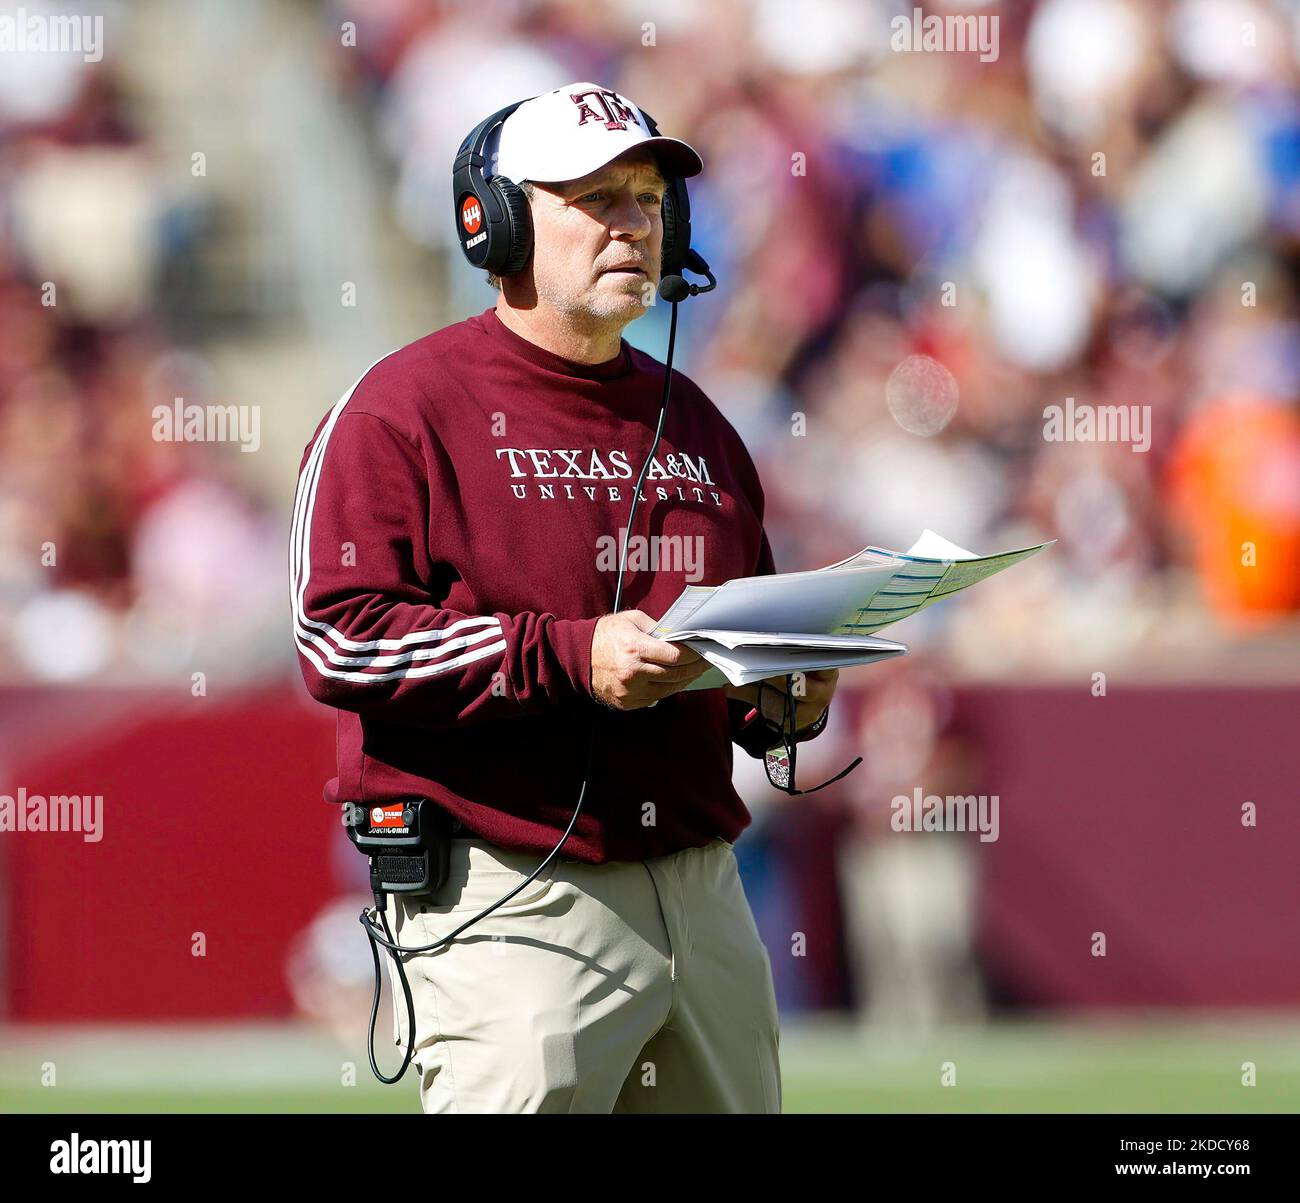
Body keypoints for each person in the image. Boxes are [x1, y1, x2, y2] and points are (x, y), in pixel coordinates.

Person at [289, 82, 838, 1113]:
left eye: (645, 197)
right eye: (594, 199)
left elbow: (731, 649)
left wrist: (779, 700)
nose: (633, 222)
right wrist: (571, 657)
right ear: (492, 224)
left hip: (702, 887)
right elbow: (339, 644)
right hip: (510, 888)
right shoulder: (400, 410)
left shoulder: (700, 421)